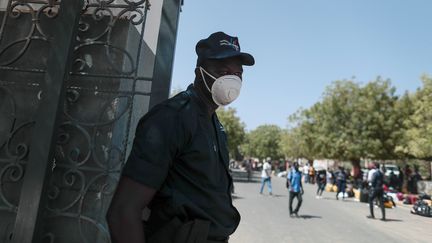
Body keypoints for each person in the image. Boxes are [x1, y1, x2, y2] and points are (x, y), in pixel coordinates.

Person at [106, 31, 255, 243]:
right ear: (199, 72)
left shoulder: (214, 125)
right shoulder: (172, 118)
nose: (232, 80)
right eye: (223, 71)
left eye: (237, 74)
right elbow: (123, 211)